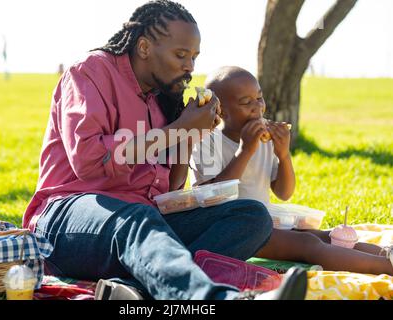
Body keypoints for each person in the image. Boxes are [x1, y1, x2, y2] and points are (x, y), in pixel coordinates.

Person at [23, 0, 307, 300]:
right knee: (137, 219)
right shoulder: (90, 72)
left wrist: (188, 136)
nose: (190, 67)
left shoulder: (163, 98)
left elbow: (170, 188)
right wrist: (177, 130)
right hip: (66, 219)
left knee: (251, 216)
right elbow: (90, 160)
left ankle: (137, 288)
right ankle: (215, 298)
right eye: (181, 55)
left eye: (195, 57)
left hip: (142, 223)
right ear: (144, 48)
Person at [190, 66, 393, 276]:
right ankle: (385, 268)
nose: (257, 107)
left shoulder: (264, 140)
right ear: (221, 111)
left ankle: (386, 255)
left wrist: (284, 155)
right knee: (307, 244)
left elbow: (284, 192)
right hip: (235, 229)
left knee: (326, 236)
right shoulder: (207, 141)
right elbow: (214, 197)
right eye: (245, 102)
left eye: (259, 98)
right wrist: (244, 151)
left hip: (265, 222)